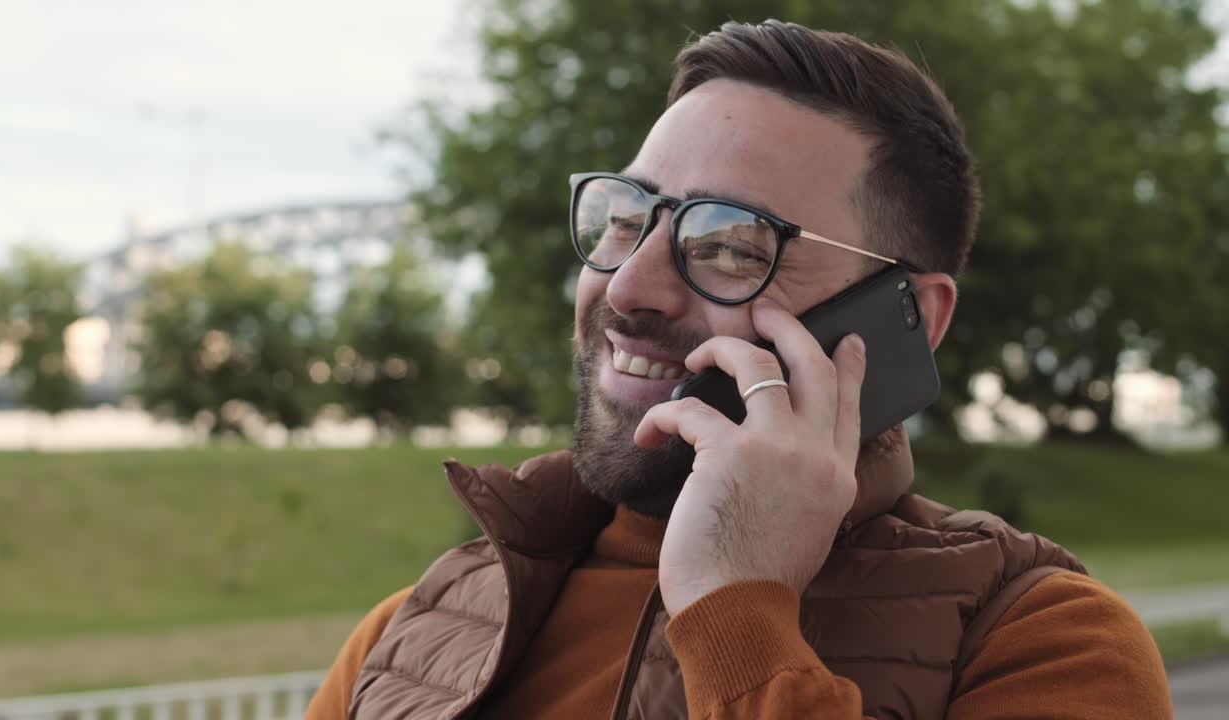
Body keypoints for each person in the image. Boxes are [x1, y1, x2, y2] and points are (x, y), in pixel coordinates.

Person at [306, 20, 1170, 719]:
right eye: (623, 218)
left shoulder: (1041, 641)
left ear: (913, 318)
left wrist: (738, 611)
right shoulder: (416, 630)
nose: (630, 286)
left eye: (728, 245)